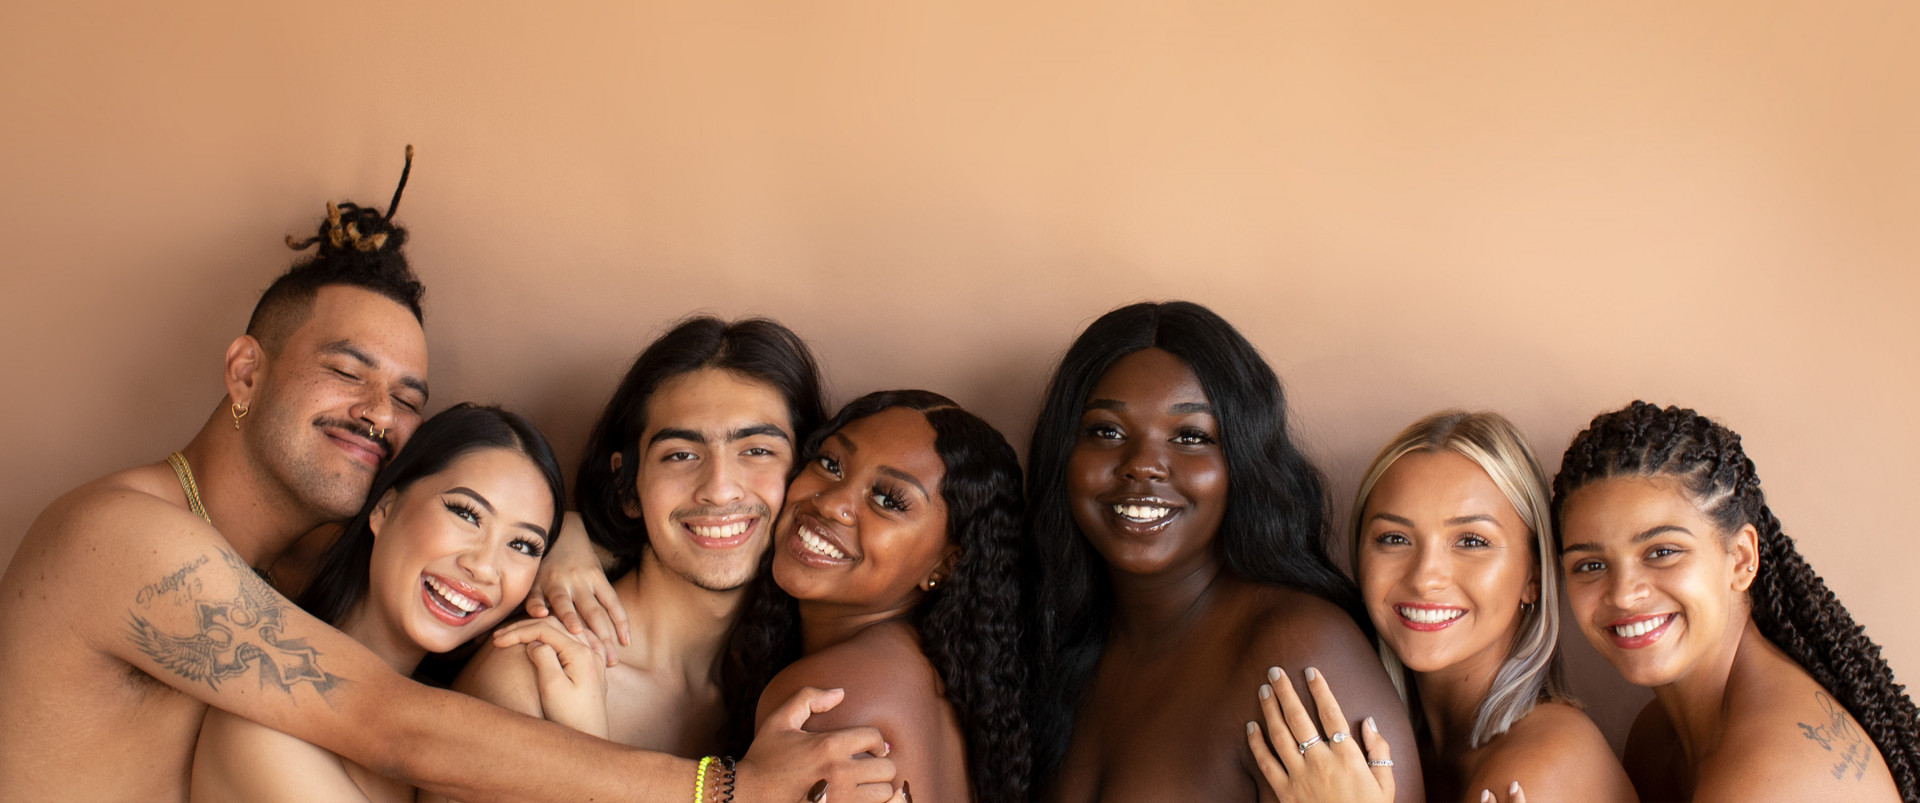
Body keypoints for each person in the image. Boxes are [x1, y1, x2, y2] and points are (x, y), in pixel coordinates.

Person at [0, 154, 896, 802]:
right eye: (346, 371)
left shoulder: (304, 563)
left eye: (407, 398)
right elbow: (389, 722)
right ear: (244, 372)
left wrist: (569, 541)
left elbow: (468, 532)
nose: (377, 415)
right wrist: (725, 788)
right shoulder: (123, 537)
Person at [1026, 300, 1423, 802]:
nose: (1143, 464)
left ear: (1242, 464)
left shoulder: (1298, 652)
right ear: (1063, 453)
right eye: (1107, 431)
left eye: (1191, 436)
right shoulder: (1057, 642)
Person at [447, 316, 825, 759]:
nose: (720, 489)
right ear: (627, 487)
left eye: (757, 451)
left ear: (803, 475)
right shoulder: (538, 670)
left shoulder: (785, 684)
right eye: (680, 455)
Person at [193, 404, 606, 800]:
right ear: (385, 508)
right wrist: (587, 747)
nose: (485, 567)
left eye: (522, 545)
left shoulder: (452, 733)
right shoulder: (269, 723)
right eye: (466, 513)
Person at [1244, 411, 1635, 803]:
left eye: (1471, 541)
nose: (1424, 577)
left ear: (1533, 575)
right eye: (1394, 538)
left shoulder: (1550, 764)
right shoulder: (1405, 747)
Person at [1552, 401, 1917, 802]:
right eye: (1590, 565)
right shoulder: (1653, 736)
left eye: (1662, 552)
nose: (1623, 594)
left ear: (1741, 559)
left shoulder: (1776, 777)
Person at [722, 390, 1032, 802]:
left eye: (888, 500)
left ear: (945, 565)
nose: (832, 503)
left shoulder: (826, 697)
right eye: (831, 464)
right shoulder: (920, 671)